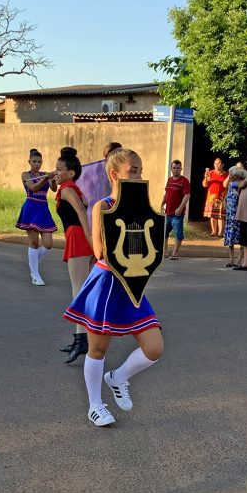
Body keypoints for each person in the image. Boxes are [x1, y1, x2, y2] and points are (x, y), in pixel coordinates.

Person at [63, 147, 164, 427]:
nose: (139, 175)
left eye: (141, 171)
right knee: (97, 348)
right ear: (114, 174)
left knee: (154, 348)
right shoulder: (103, 207)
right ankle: (95, 405)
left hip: (133, 284)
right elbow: (99, 251)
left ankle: (118, 378)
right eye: (133, 170)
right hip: (107, 282)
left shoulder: (145, 206)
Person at [55, 147, 94, 363]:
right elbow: (85, 204)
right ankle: (83, 337)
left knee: (78, 290)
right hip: (78, 237)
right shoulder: (74, 188)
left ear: (71, 172)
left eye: (60, 169)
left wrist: (89, 239)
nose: (56, 172)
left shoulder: (68, 189)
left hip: (78, 237)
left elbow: (81, 212)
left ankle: (81, 340)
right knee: (83, 289)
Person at [16, 148, 57, 286]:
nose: (37, 164)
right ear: (29, 161)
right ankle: (35, 274)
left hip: (43, 209)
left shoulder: (45, 174)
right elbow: (33, 188)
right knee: (33, 243)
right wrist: (45, 178)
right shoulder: (25, 175)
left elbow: (54, 188)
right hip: (31, 208)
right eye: (34, 161)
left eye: (39, 162)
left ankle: (33, 264)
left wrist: (53, 178)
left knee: (48, 244)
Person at [161, 159, 191, 260]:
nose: (176, 170)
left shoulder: (184, 181)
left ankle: (175, 253)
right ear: (171, 169)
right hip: (168, 212)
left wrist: (180, 208)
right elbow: (167, 193)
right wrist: (162, 204)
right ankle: (165, 252)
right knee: (164, 232)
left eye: (178, 168)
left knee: (178, 233)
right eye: (174, 168)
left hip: (177, 214)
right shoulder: (169, 180)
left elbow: (187, 195)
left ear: (181, 169)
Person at [223, 166, 246, 267]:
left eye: (231, 173)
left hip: (238, 213)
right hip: (230, 213)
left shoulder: (241, 183)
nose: (230, 175)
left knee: (241, 238)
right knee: (231, 237)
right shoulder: (231, 182)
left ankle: (238, 260)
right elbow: (225, 187)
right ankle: (232, 260)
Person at [202, 158, 228, 236]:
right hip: (211, 197)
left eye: (218, 163)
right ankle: (213, 231)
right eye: (215, 163)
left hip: (222, 197)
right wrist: (206, 177)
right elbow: (204, 185)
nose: (216, 165)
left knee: (221, 215)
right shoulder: (210, 173)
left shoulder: (227, 174)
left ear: (222, 164)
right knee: (212, 215)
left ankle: (220, 232)